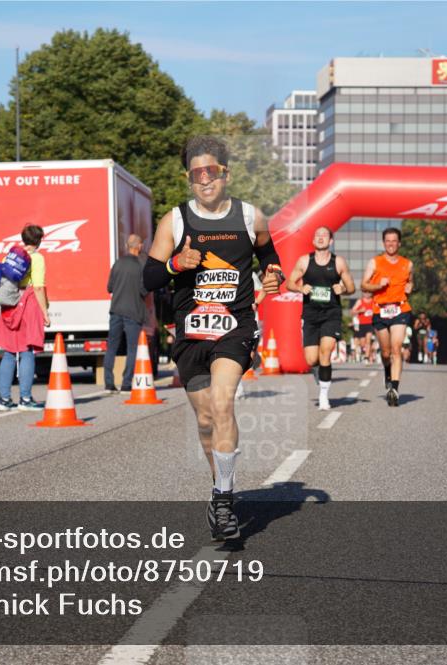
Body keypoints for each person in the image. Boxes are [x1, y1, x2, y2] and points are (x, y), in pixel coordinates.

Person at [142, 136, 282, 541]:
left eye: (212, 172)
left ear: (226, 174)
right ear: (189, 178)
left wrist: (273, 274)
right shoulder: (175, 221)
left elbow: (269, 255)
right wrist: (173, 264)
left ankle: (224, 500)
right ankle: (220, 487)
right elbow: (148, 278)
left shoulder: (250, 217)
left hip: (235, 325)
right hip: (190, 332)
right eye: (196, 174)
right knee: (205, 421)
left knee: (223, 403)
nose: (205, 180)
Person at [286, 226, 355, 410]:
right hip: (310, 314)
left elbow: (352, 287)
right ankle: (319, 373)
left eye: (324, 235)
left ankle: (324, 396)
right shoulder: (304, 261)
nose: (320, 237)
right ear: (313, 240)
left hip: (331, 313)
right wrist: (300, 288)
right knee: (311, 360)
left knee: (326, 351)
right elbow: (289, 283)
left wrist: (344, 289)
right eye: (317, 235)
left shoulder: (338, 262)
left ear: (331, 241)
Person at [0, 224, 49, 410]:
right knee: (27, 351)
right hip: (28, 303)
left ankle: (4, 399)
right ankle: (25, 399)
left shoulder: (9, 256)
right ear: (39, 240)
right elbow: (39, 287)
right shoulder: (37, 258)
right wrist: (45, 312)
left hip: (9, 305)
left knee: (9, 352)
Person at [362, 227, 413, 407]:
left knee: (396, 348)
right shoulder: (375, 263)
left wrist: (410, 286)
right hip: (380, 310)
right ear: (384, 243)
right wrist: (378, 285)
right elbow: (363, 285)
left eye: (394, 241)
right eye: (388, 241)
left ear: (399, 243)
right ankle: (387, 370)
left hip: (400, 310)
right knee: (385, 352)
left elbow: (410, 280)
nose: (391, 244)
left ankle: (395, 390)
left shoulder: (407, 264)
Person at [104, 234, 149, 394]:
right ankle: (126, 384)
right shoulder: (141, 265)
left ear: (126, 245)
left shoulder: (117, 264)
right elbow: (144, 289)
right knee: (132, 348)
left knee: (112, 346)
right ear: (140, 246)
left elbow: (109, 287)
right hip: (133, 312)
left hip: (116, 310)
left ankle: (108, 383)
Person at [351, 295, 375, 364]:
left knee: (368, 341)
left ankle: (366, 358)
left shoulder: (373, 301)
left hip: (370, 324)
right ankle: (365, 354)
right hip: (361, 324)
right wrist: (360, 310)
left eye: (369, 291)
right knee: (362, 343)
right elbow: (352, 312)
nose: (367, 293)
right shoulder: (360, 301)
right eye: (365, 291)